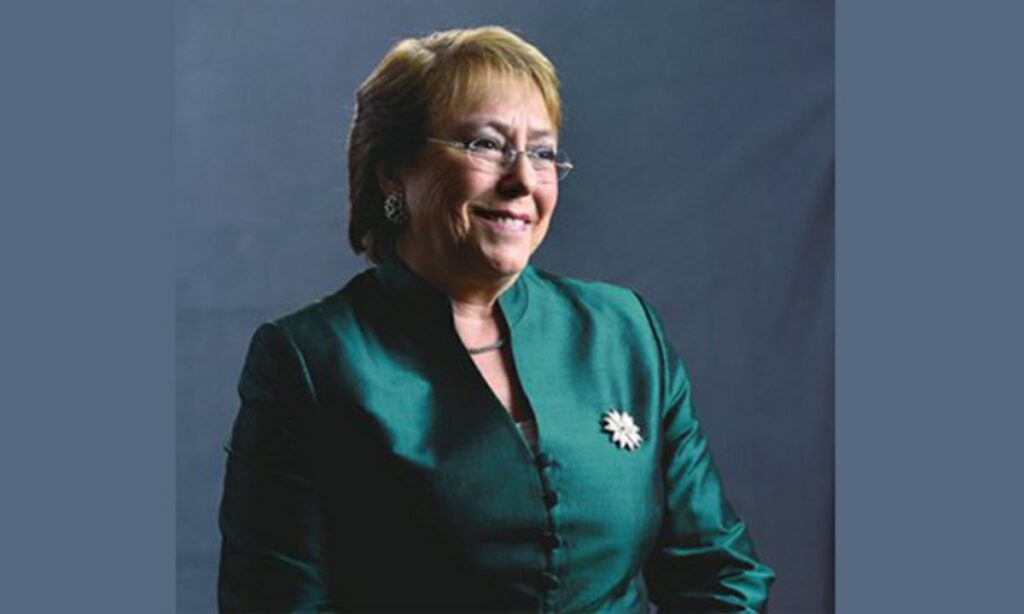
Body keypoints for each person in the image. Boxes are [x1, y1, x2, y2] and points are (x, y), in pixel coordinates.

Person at [217, 25, 774, 613]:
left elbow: (720, 572)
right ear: (393, 170)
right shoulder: (309, 361)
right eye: (485, 144)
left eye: (543, 152)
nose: (522, 180)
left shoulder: (625, 332)